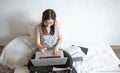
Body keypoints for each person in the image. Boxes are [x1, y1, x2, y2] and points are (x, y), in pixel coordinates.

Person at [28, 9, 73, 73]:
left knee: (70, 62)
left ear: (54, 21)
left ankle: (47, 68)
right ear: (43, 19)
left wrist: (56, 48)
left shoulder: (57, 24)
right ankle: (57, 69)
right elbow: (37, 42)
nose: (48, 25)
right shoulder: (38, 27)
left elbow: (60, 38)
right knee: (30, 66)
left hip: (56, 49)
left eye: (51, 23)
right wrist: (41, 48)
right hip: (43, 51)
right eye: (46, 22)